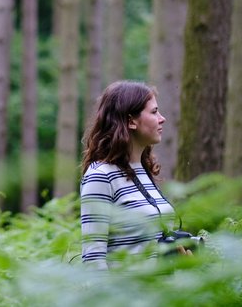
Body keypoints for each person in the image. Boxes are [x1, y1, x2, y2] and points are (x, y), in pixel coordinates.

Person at [79, 80, 185, 270]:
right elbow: (93, 258)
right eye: (154, 112)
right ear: (131, 121)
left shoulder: (144, 172)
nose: (162, 119)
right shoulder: (101, 176)